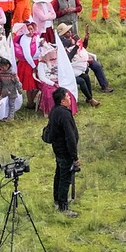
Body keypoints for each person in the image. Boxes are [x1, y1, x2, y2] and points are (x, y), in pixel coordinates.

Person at [41, 84, 79, 215]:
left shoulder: (55, 111)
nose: (69, 98)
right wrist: (74, 156)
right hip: (65, 150)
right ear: (62, 101)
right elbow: (70, 136)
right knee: (65, 177)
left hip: (57, 148)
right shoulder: (65, 115)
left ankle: (57, 199)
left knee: (59, 174)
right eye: (68, 96)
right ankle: (63, 207)